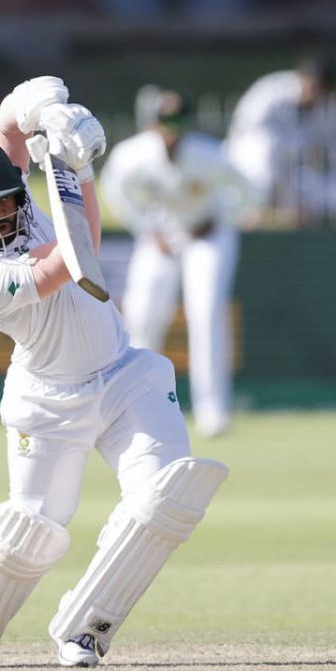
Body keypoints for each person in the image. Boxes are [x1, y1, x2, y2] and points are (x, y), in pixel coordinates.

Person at [0, 76, 228, 670]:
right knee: (33, 526)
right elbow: (78, 254)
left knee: (166, 495)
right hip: (47, 401)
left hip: (123, 376)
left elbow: (9, 122)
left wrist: (48, 112)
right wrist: (78, 170)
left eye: (6, 201)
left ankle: (86, 628)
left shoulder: (21, 198)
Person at [102, 89, 253, 439]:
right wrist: (146, 227)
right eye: (165, 123)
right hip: (161, 235)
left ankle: (212, 409)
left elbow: (247, 191)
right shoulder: (133, 156)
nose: (171, 131)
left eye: (178, 123)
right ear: (153, 125)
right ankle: (138, 405)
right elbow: (114, 191)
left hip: (206, 236)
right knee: (143, 315)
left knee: (206, 313)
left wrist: (222, 218)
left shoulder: (208, 155)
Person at [224, 54, 336, 225]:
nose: (315, 94)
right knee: (266, 147)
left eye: (322, 90)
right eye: (313, 85)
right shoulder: (271, 92)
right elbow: (246, 138)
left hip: (294, 174)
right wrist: (302, 147)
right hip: (249, 170)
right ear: (301, 78)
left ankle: (284, 217)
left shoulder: (329, 108)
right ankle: (256, 212)